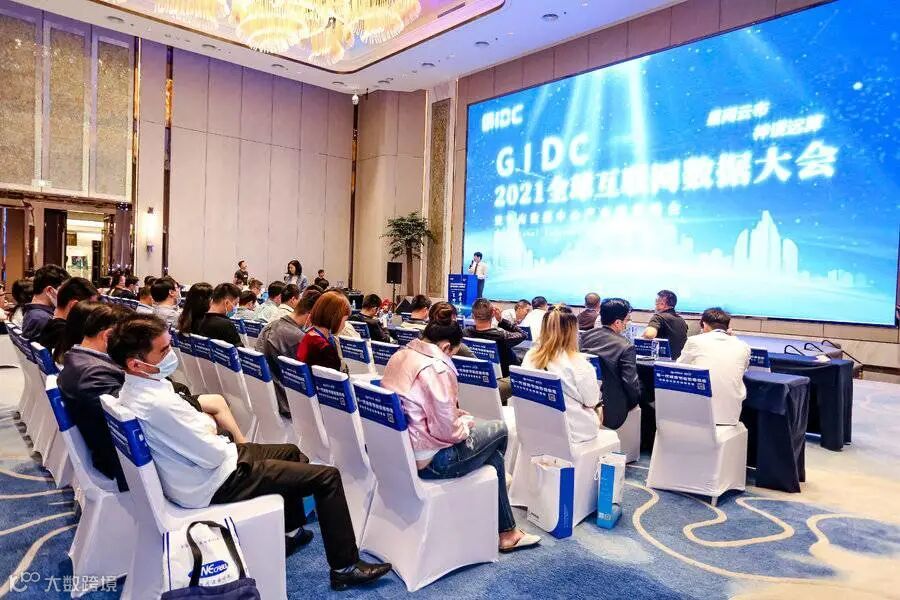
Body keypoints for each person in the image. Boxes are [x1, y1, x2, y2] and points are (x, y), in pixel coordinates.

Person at [107, 315, 391, 589]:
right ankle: (345, 567)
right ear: (136, 364)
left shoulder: (137, 389)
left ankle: (291, 530)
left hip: (203, 470)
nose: (171, 354)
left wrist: (207, 429)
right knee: (327, 477)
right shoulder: (157, 403)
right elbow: (213, 453)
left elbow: (205, 437)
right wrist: (209, 428)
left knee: (291, 452)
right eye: (164, 350)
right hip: (214, 480)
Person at [380, 303, 540, 554]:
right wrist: (463, 423)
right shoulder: (437, 367)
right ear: (446, 347)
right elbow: (448, 432)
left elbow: (418, 405)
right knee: (499, 430)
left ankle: (505, 523)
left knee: (492, 456)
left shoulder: (401, 355)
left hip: (400, 453)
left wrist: (453, 416)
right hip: (431, 461)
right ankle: (501, 504)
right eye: (453, 354)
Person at [57, 303, 131, 490]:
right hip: (127, 464)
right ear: (108, 336)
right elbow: (136, 415)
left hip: (121, 452)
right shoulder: (93, 375)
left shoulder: (78, 360)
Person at [522, 307, 601, 442]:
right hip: (574, 432)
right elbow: (591, 402)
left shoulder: (530, 356)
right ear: (573, 332)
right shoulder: (581, 364)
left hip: (536, 425)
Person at [677, 307, 751, 425]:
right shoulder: (743, 346)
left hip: (698, 415)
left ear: (704, 325)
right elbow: (744, 369)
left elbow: (679, 368)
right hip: (731, 416)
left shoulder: (694, 341)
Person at [257, 289, 321, 416]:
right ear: (310, 316)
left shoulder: (269, 327)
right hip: (289, 405)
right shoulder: (299, 339)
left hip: (266, 397)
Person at [579, 298, 641, 430]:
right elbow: (630, 384)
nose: (627, 324)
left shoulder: (584, 337)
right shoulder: (626, 346)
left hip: (584, 402)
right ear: (617, 322)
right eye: (627, 320)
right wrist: (634, 402)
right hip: (611, 411)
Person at [37, 277, 98, 353]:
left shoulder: (51, 327)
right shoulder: (68, 336)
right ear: (74, 306)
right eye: (91, 308)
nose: (94, 314)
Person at [296, 290, 349, 372]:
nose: (344, 325)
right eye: (344, 320)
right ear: (335, 318)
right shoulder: (325, 349)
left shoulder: (308, 335)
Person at [22, 264, 69, 339]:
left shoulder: (33, 312)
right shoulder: (43, 318)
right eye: (64, 291)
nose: (67, 296)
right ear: (50, 291)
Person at [643, 289, 689, 360]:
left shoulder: (658, 317)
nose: (655, 304)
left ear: (662, 304)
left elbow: (649, 335)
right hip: (678, 361)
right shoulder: (682, 320)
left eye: (656, 302)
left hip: (661, 361)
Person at [197, 283, 243, 347]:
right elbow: (240, 351)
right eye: (235, 304)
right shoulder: (227, 325)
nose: (235, 307)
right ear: (226, 303)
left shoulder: (198, 319)